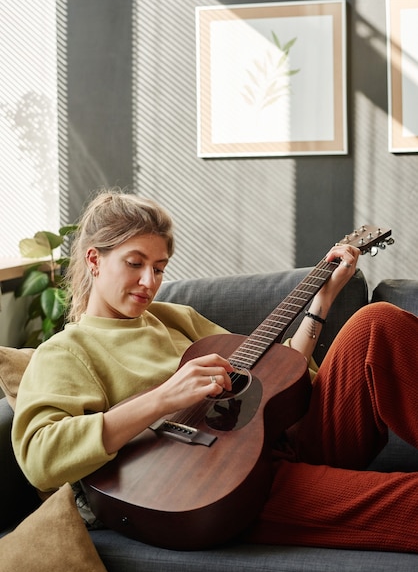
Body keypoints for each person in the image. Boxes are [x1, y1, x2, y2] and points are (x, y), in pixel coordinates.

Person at [12, 189, 418, 553]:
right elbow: (41, 457)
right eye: (134, 263)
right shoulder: (66, 350)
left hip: (282, 438)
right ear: (94, 259)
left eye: (159, 267)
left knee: (376, 321)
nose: (148, 281)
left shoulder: (175, 317)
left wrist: (322, 301)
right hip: (222, 487)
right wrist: (163, 398)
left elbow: (274, 371)